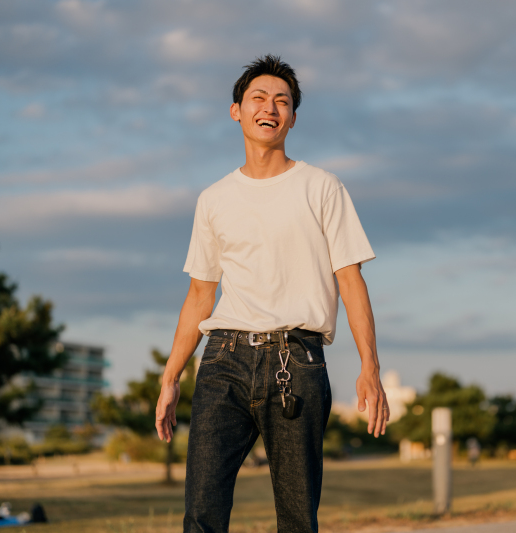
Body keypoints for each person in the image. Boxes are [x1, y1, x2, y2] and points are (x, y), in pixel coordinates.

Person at [154, 55, 389, 533]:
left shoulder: (322, 187)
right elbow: (201, 294)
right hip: (223, 360)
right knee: (201, 513)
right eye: (258, 98)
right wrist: (170, 375)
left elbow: (350, 281)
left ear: (293, 118)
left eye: (282, 101)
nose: (270, 107)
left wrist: (371, 367)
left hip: (296, 362)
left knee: (298, 518)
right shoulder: (214, 199)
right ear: (236, 110)